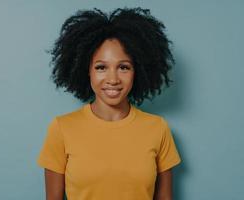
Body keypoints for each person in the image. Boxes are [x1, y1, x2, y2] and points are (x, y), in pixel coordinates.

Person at [37, 7, 181, 200]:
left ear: (137, 71)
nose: (112, 79)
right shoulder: (61, 128)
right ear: (86, 70)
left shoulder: (158, 128)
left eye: (123, 67)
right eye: (101, 67)